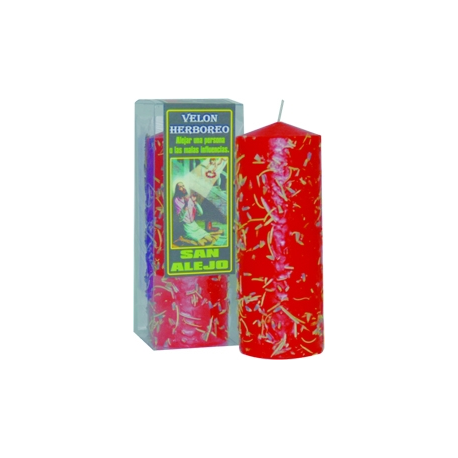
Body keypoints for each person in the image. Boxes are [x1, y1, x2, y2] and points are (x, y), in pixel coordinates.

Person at [173, 182, 215, 246]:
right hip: (187, 228)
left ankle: (195, 241)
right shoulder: (176, 200)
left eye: (183, 186)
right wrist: (186, 205)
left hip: (194, 226)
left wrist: (195, 202)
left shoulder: (189, 198)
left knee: (210, 239)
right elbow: (180, 219)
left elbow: (200, 213)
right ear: (177, 189)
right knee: (202, 244)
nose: (183, 188)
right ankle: (183, 239)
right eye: (180, 187)